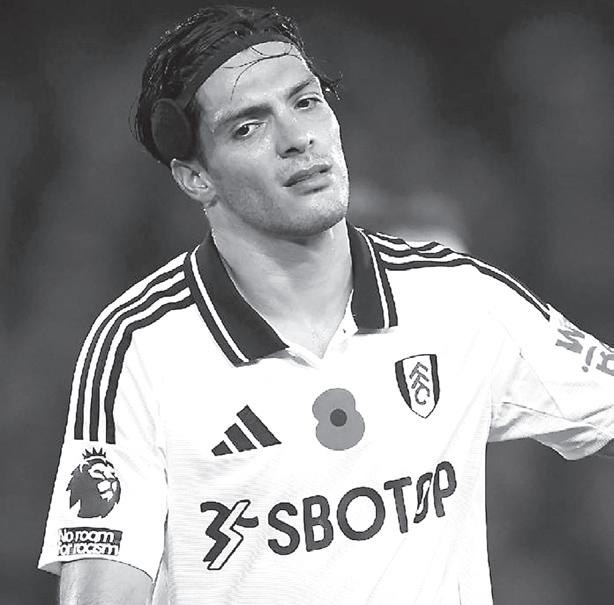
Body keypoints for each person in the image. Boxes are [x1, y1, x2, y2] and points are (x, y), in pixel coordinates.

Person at [38, 5, 614, 604]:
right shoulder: (141, 347)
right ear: (195, 178)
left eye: (307, 102)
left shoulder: (456, 298)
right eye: (248, 127)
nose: (298, 139)